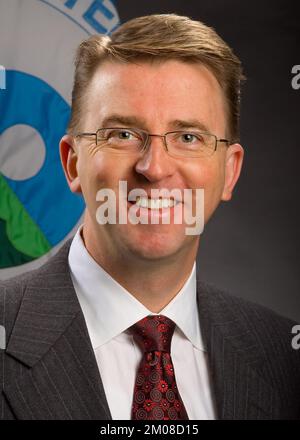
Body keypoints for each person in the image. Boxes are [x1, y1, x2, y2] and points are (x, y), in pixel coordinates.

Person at [0, 14, 299, 420]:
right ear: (72, 164)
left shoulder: (283, 355)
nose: (154, 168)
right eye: (122, 134)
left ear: (229, 172)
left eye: (189, 137)